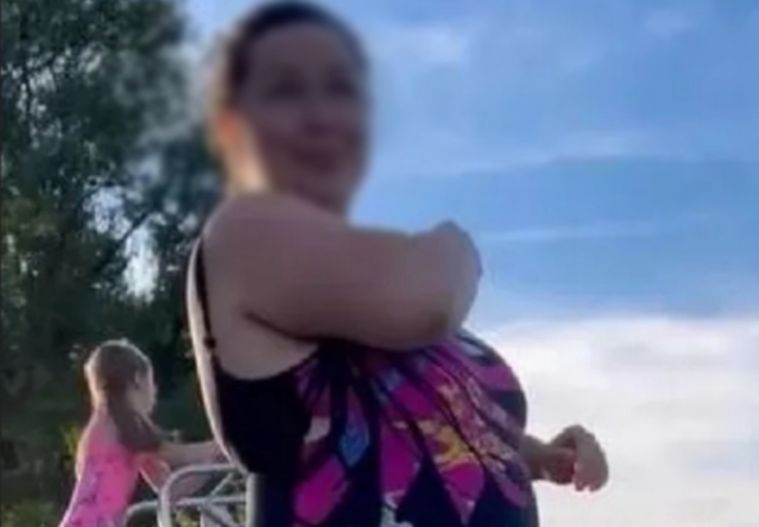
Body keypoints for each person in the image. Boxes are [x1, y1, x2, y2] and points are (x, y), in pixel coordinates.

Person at [186, 2, 609, 526]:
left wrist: (540, 455)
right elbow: (430, 303)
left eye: (340, 90)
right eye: (285, 89)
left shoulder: (365, 285)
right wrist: (458, 249)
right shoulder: (244, 232)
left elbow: (429, 426)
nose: (320, 112)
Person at [58, 340, 224, 527]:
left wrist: (211, 463)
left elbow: (170, 489)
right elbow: (179, 455)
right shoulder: (127, 423)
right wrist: (223, 445)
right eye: (152, 382)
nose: (154, 391)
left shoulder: (109, 427)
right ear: (137, 379)